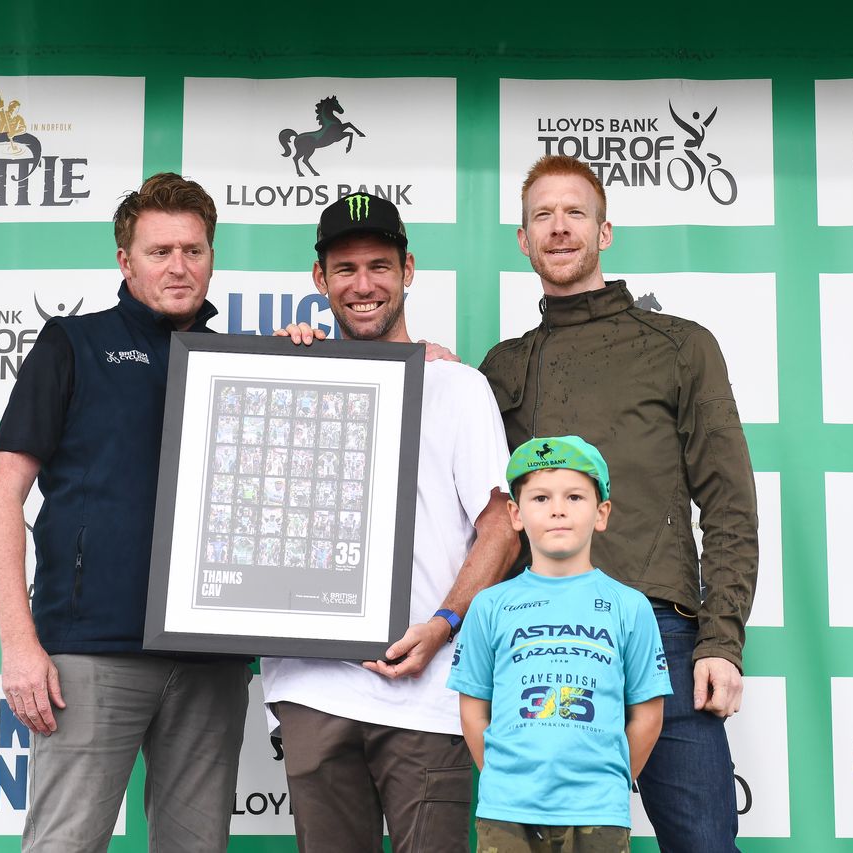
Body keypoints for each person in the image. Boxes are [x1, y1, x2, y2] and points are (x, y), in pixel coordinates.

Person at [479, 155, 758, 853]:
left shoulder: (681, 347)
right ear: (522, 239)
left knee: (703, 846)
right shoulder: (502, 367)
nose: (560, 227)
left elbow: (729, 503)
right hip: (540, 641)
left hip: (660, 635)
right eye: (542, 215)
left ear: (606, 232)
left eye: (576, 212)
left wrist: (721, 638)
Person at [0, 173, 251, 852]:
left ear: (212, 255)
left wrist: (323, 356)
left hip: (211, 659)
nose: (179, 266)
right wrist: (19, 642)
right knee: (64, 843)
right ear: (125, 261)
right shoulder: (74, 343)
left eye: (193, 249)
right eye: (159, 252)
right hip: (89, 653)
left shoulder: (244, 361)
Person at [263, 192, 519, 853]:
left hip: (429, 693)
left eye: (380, 264)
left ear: (409, 269)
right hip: (315, 688)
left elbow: (501, 525)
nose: (364, 284)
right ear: (319, 280)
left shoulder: (459, 387)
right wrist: (271, 372)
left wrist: (444, 624)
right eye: (344, 269)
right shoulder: (282, 379)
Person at [448, 435, 671, 853]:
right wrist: (505, 779)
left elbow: (647, 716)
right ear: (515, 513)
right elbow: (474, 710)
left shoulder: (629, 606)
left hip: (598, 812)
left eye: (574, 496)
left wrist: (610, 783)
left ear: (601, 513)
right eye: (539, 498)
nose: (557, 509)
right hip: (507, 811)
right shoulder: (490, 605)